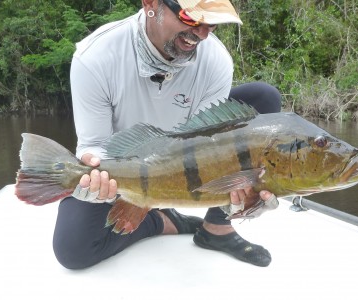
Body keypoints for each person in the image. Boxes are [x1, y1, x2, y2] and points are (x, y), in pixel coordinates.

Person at [53, 0, 282, 270]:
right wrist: (101, 179)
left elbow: (207, 144)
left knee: (264, 98)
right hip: (124, 164)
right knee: (73, 250)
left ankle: (217, 229)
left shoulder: (216, 60)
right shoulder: (95, 56)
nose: (203, 34)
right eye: (191, 18)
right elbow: (95, 144)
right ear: (151, 4)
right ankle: (160, 221)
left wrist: (242, 195)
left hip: (181, 154)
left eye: (212, 23)